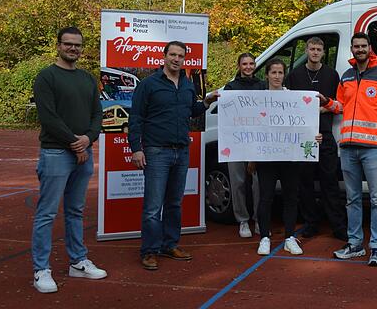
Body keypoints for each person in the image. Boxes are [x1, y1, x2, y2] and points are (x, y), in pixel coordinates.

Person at [129, 41, 219, 270]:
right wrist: (136, 149)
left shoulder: (188, 85)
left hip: (181, 151)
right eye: (173, 54)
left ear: (184, 60)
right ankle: (149, 250)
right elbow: (136, 117)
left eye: (180, 56)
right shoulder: (148, 85)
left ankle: (169, 245)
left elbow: (192, 111)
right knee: (152, 206)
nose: (176, 59)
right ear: (164, 56)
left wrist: (206, 102)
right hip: (156, 151)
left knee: (174, 203)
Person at [31, 26, 107, 293]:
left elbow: (98, 114)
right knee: (47, 213)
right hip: (56, 153)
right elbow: (49, 118)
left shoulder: (87, 79)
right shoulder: (46, 77)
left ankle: (78, 262)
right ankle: (41, 269)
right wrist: (77, 144)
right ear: (58, 45)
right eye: (68, 44)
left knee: (75, 211)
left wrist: (89, 138)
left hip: (83, 153)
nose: (73, 48)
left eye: (77, 45)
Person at [319, 32, 377, 267]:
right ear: (352, 49)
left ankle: (376, 247)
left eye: (363, 46)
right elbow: (340, 106)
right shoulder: (346, 76)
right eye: (356, 46)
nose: (359, 49)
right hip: (348, 147)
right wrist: (326, 102)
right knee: (352, 199)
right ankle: (355, 244)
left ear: (370, 48)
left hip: (374, 148)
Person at [285, 37, 347, 241]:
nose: (315, 52)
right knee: (306, 183)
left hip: (325, 136)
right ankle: (311, 223)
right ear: (307, 50)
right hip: (303, 138)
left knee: (329, 182)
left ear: (323, 52)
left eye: (318, 49)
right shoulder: (294, 75)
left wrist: (323, 107)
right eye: (311, 49)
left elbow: (339, 104)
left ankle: (338, 225)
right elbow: (288, 105)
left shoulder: (331, 74)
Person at [254, 59, 314, 256]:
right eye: (274, 73)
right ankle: (264, 237)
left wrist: (314, 136)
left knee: (291, 197)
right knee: (266, 197)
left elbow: (304, 124)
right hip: (266, 158)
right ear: (267, 75)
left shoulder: (294, 98)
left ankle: (289, 237)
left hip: (290, 157)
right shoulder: (257, 99)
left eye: (280, 73)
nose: (277, 76)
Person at [223, 53, 265, 238]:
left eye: (251, 63)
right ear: (239, 66)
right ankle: (242, 220)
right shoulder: (230, 87)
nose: (248, 67)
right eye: (244, 64)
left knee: (259, 183)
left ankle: (258, 219)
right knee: (238, 181)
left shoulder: (263, 86)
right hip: (235, 140)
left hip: (258, 140)